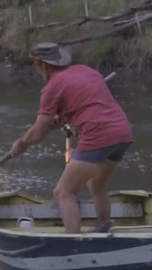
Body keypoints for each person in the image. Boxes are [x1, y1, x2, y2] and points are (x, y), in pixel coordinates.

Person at [11, 42, 134, 233]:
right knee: (97, 183)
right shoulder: (86, 71)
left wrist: (22, 143)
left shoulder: (51, 88)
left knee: (63, 192)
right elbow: (88, 102)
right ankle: (103, 226)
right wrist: (66, 117)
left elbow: (38, 131)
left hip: (98, 135)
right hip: (122, 133)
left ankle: (73, 241)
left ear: (40, 64)